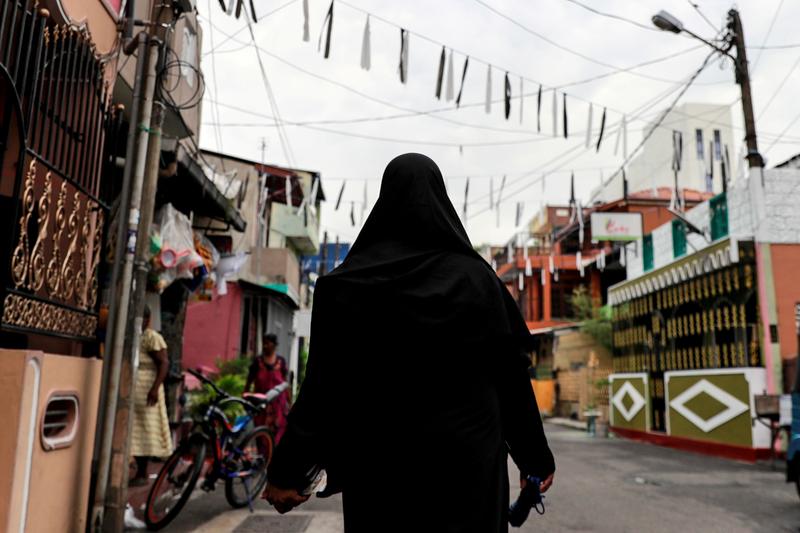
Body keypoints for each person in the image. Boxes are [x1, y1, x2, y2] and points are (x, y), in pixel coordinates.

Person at [264, 153, 555, 532]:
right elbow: (510, 377)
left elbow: (324, 386)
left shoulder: (345, 287)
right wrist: (535, 458)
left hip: (382, 472)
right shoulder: (479, 282)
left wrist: (289, 471)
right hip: (468, 472)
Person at [130, 305, 173, 485]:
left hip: (147, 389)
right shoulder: (133, 336)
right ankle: (138, 470)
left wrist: (155, 388)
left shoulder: (152, 337)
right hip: (135, 388)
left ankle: (142, 473)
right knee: (135, 430)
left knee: (146, 430)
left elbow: (164, 363)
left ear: (147, 320)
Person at [245, 333, 290, 445]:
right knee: (260, 432)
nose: (265, 346)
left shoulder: (281, 362)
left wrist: (289, 401)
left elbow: (285, 383)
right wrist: (245, 396)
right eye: (264, 343)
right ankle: (264, 459)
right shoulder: (258, 362)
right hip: (261, 404)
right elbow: (249, 381)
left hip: (278, 404)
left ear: (274, 345)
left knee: (278, 432)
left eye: (267, 343)